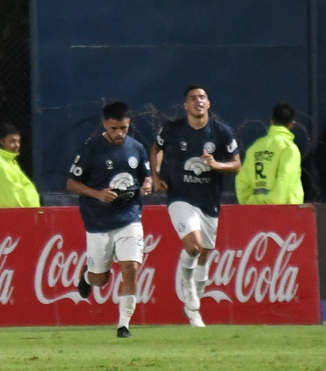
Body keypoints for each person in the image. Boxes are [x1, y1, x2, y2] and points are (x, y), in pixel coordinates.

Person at [151, 84, 241, 328]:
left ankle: (194, 303)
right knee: (194, 247)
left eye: (202, 97)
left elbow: (236, 164)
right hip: (180, 198)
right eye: (193, 98)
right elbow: (156, 148)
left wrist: (217, 165)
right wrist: (156, 175)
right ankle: (190, 297)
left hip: (209, 201)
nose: (198, 101)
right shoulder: (172, 129)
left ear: (208, 103)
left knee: (204, 253)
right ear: (186, 105)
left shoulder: (221, 132)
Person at [68, 102, 152, 338]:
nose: (119, 133)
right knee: (100, 280)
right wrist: (98, 194)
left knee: (130, 268)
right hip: (99, 222)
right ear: (105, 124)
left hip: (129, 217)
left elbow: (146, 176)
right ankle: (88, 275)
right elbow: (71, 183)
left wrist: (147, 185)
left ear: (129, 124)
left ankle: (123, 325)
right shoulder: (91, 149)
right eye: (114, 128)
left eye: (123, 128)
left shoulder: (136, 148)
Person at [235, 102, 302, 205]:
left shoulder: (254, 148)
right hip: (284, 210)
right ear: (292, 124)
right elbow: (285, 180)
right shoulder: (289, 149)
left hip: (255, 208)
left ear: (271, 121)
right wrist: (271, 205)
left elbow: (242, 180)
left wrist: (248, 202)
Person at [0, 122, 40, 208]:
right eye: (12, 141)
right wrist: (32, 197)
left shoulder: (8, 162)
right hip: (4, 215)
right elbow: (16, 198)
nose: (17, 145)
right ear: (1, 141)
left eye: (18, 141)